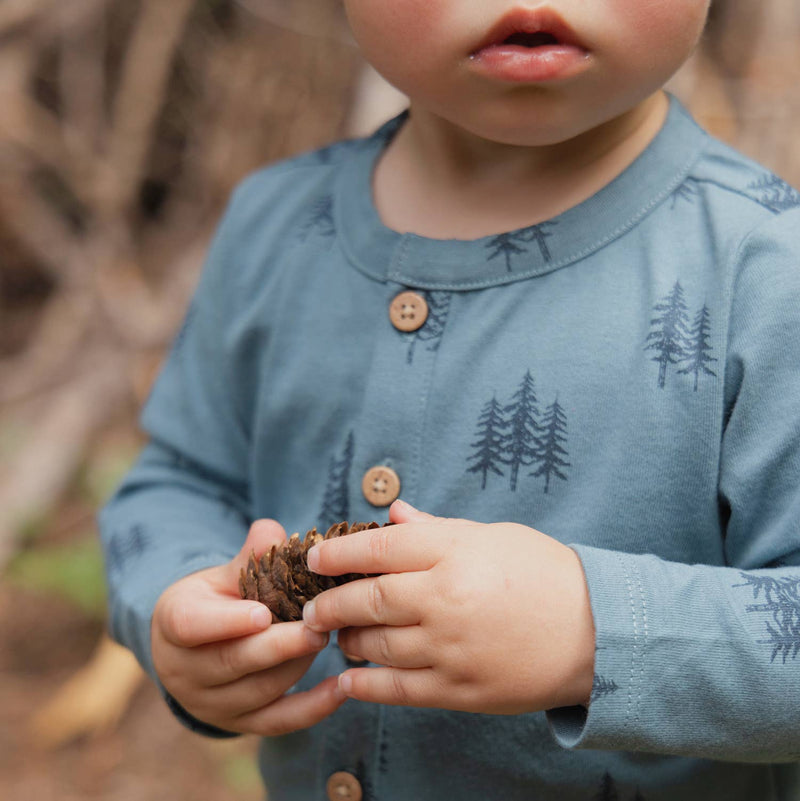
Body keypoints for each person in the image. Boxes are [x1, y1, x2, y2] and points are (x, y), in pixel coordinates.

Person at [99, 1, 800, 799]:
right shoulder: (274, 224)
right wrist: (177, 602)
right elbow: (178, 481)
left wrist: (593, 633)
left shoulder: (768, 268)